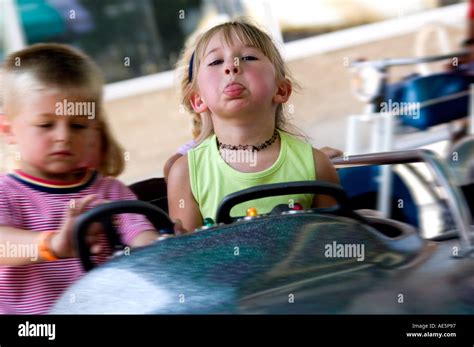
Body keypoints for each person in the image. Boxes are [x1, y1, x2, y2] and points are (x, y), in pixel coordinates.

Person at [0, 43, 176, 314]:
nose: (63, 136)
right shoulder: (6, 193)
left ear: (94, 129)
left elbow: (142, 238)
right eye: (46, 124)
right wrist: (51, 245)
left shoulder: (109, 192)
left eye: (78, 125)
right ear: (8, 130)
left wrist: (170, 249)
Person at [167, 20, 340, 232]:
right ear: (198, 100)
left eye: (248, 57)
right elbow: (188, 259)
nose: (231, 67)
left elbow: (332, 246)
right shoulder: (185, 174)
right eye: (216, 62)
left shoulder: (316, 165)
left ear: (282, 90)